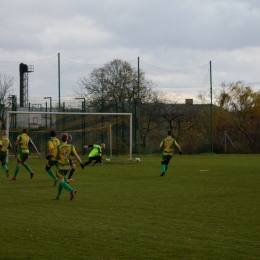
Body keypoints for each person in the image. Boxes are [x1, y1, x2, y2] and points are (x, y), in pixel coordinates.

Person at [55, 133, 84, 200]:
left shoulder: (58, 146)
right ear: (67, 139)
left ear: (61, 139)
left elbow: (56, 157)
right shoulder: (71, 146)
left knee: (61, 182)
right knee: (61, 180)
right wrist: (81, 163)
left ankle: (72, 190)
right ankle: (58, 196)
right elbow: (76, 155)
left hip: (60, 166)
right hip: (67, 167)